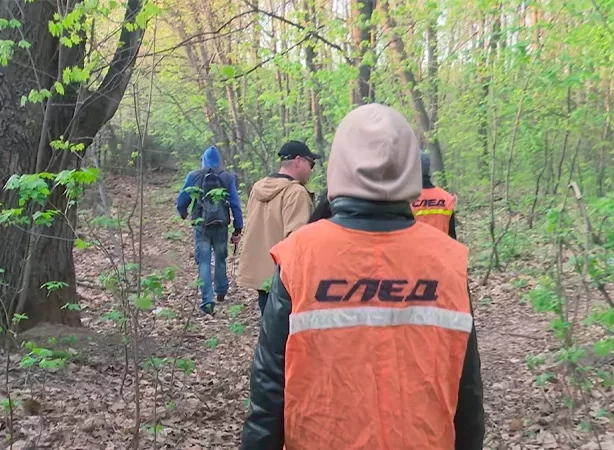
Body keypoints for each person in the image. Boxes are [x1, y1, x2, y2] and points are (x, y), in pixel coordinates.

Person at [240, 104, 485, 450]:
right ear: (409, 168)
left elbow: (268, 390)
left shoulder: (301, 256)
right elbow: (468, 391)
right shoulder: (447, 261)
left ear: (340, 166)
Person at [237, 140, 320, 314]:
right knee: (287, 334)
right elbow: (297, 240)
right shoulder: (295, 193)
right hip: (285, 279)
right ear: (298, 161)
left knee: (268, 329)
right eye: (310, 163)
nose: (311, 169)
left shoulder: (257, 188)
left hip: (261, 275)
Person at [176, 145, 243, 316]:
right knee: (220, 258)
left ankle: (207, 301)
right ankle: (221, 289)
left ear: (203, 160)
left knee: (204, 261)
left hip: (201, 225)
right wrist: (238, 227)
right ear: (219, 161)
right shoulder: (228, 177)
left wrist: (183, 212)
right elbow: (235, 203)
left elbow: (183, 198)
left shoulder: (194, 176)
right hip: (221, 225)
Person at [410, 151, 459, 239]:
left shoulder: (406, 200)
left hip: (416, 251)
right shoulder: (447, 199)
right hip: (442, 251)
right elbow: (452, 237)